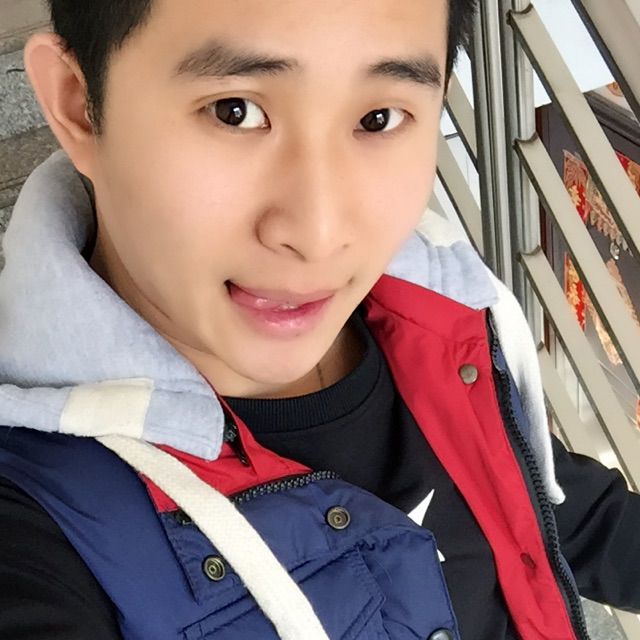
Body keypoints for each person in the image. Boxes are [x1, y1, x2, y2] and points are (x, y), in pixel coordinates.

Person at [0, 1, 638, 638]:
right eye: (234, 111)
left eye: (378, 119)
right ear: (79, 104)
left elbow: (542, 507)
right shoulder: (37, 520)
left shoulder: (434, 312)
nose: (319, 234)